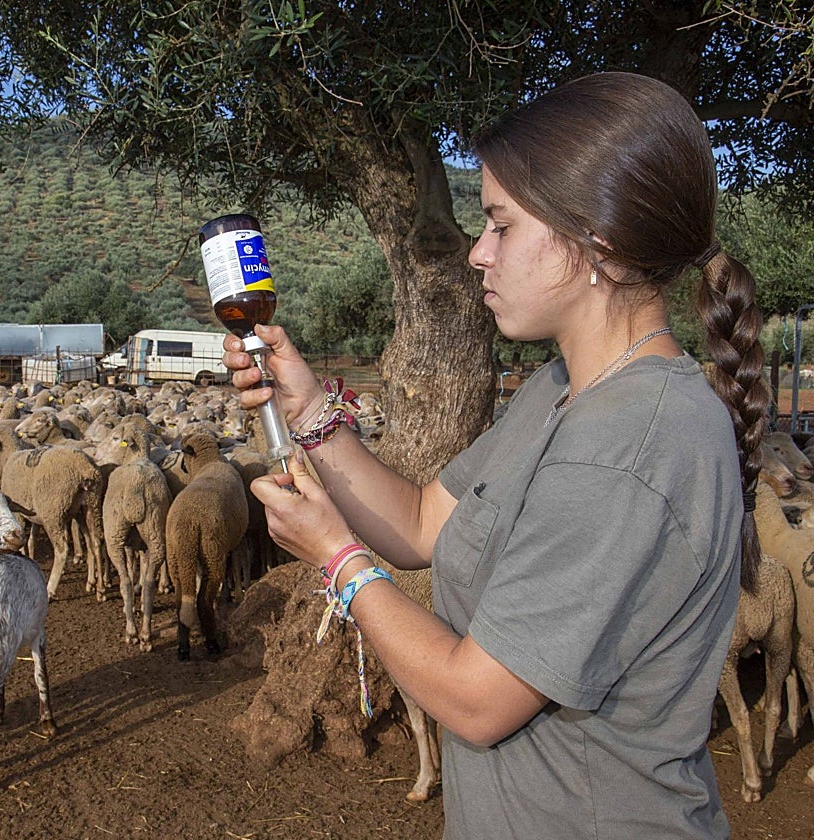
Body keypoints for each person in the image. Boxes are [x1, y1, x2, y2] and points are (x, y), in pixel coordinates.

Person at [224, 72, 769, 839]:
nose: (478, 253)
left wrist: (334, 557)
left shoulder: (635, 445)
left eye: (502, 226)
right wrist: (308, 409)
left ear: (596, 242)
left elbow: (477, 701)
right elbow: (418, 524)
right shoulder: (561, 390)